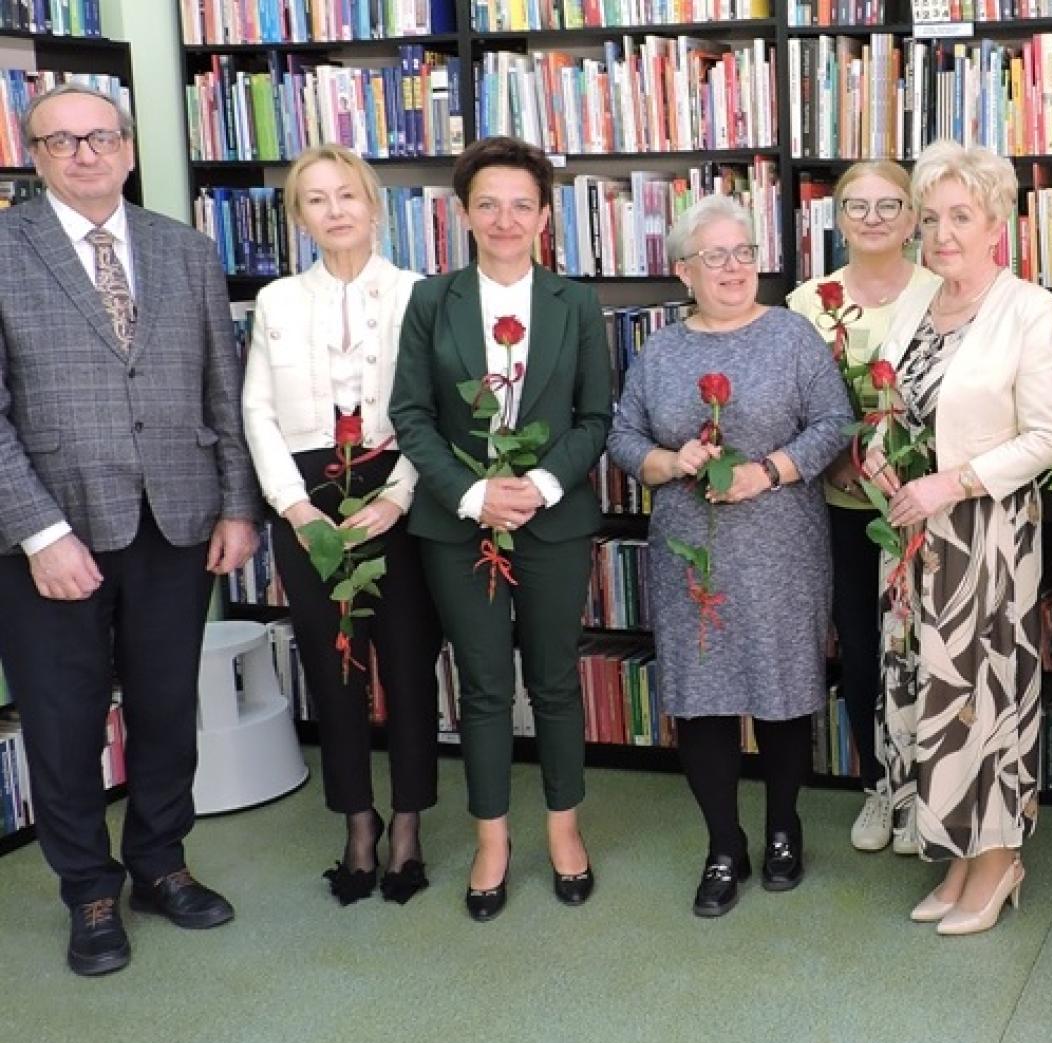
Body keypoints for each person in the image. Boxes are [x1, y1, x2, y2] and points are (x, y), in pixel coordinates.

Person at [0, 84, 262, 974]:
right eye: (61, 141)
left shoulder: (184, 249)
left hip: (176, 519)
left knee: (164, 708)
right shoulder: (4, 248)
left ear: (128, 145)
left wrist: (236, 504)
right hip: (53, 533)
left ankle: (160, 862)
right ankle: (90, 892)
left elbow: (220, 390)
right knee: (64, 722)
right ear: (34, 154)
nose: (85, 154)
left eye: (100, 137)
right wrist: (40, 532)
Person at [608, 195, 850, 917]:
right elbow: (622, 438)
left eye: (743, 252)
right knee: (702, 701)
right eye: (716, 256)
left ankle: (783, 830)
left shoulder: (792, 335)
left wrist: (768, 470)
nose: (735, 267)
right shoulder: (662, 351)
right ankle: (724, 845)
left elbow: (836, 420)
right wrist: (668, 459)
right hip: (691, 551)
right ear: (684, 271)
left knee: (782, 696)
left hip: (782, 546)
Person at [388, 136, 611, 922]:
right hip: (459, 524)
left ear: (546, 215)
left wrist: (543, 484)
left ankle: (563, 829)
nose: (505, 218)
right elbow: (409, 415)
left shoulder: (576, 303)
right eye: (488, 203)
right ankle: (491, 839)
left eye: (522, 203)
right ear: (464, 214)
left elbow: (595, 417)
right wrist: (473, 494)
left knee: (553, 681)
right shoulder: (431, 300)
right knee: (482, 688)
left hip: (554, 520)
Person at [870, 141, 1052, 936]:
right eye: (932, 217)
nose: (943, 232)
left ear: (997, 221)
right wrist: (884, 465)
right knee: (930, 695)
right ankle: (957, 852)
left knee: (984, 695)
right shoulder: (918, 304)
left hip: (984, 536)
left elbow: (1047, 436)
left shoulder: (1029, 308)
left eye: (962, 216)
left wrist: (949, 483)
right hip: (914, 539)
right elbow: (894, 408)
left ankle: (998, 860)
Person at [240, 146, 443, 906]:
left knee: (406, 662)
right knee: (336, 669)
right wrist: (293, 505)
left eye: (347, 195)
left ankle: (408, 823)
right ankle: (356, 821)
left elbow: (435, 411)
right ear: (299, 216)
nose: (335, 210)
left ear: (373, 203)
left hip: (400, 490)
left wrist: (396, 497)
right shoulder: (278, 301)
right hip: (308, 498)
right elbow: (257, 410)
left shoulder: (417, 293)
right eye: (316, 199)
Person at [785, 161, 941, 854]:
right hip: (844, 505)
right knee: (863, 649)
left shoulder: (945, 291)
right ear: (837, 217)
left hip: (928, 505)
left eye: (890, 205)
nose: (873, 218)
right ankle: (880, 785)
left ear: (913, 218)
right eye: (857, 206)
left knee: (929, 652)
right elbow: (790, 408)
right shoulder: (805, 304)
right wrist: (841, 455)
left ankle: (930, 791)